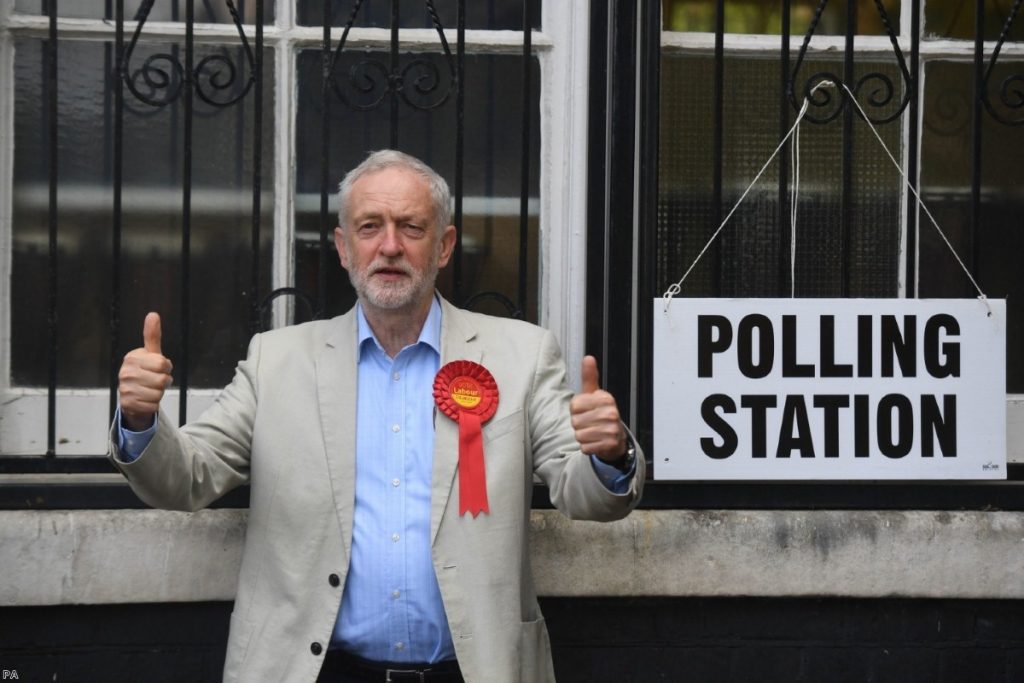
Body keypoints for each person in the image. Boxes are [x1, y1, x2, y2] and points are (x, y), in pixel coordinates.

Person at [110, 149, 645, 683]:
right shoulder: (276, 361)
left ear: (444, 246)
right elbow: (188, 478)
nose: (390, 246)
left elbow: (584, 495)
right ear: (344, 247)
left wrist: (609, 455)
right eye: (370, 227)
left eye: (411, 227)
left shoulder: (520, 356)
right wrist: (140, 420)